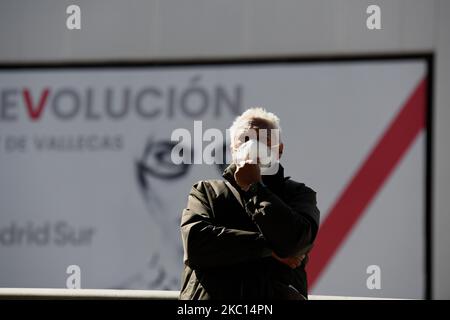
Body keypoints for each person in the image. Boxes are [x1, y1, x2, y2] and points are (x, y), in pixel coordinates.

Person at [179, 107, 320, 300]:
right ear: (232, 149)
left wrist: (254, 186)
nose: (254, 147)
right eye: (246, 140)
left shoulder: (298, 194)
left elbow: (295, 243)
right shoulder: (206, 191)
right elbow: (196, 245)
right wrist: (269, 249)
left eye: (264, 141)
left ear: (279, 150)